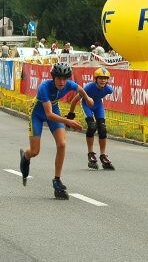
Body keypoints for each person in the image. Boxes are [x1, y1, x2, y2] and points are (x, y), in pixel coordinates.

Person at [19, 63, 94, 199]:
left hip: (54, 109)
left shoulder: (69, 84)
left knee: (62, 144)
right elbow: (48, 115)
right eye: (59, 78)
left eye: (64, 79)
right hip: (38, 113)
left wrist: (88, 99)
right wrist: (68, 121)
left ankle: (57, 180)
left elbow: (80, 90)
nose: (62, 82)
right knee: (35, 151)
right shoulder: (44, 87)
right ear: (53, 78)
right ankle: (25, 156)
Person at [67, 67, 115, 170]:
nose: (103, 80)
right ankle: (90, 153)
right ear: (95, 79)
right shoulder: (88, 87)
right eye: (100, 78)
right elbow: (75, 100)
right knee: (92, 127)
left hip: (98, 106)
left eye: (105, 78)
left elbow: (100, 96)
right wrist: (71, 114)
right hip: (87, 105)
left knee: (102, 130)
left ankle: (103, 155)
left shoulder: (109, 89)